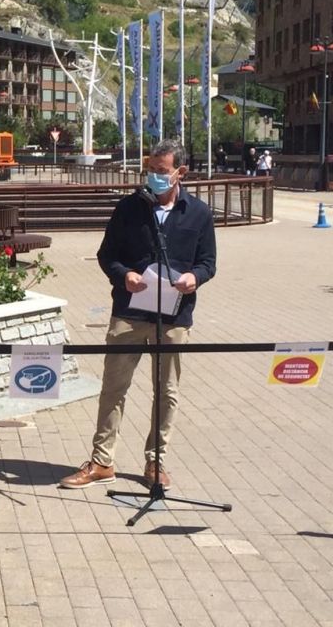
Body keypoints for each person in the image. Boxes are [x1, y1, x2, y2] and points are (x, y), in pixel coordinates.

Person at [59, 139, 216, 491]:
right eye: (150, 169)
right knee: (113, 387)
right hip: (129, 312)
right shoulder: (129, 207)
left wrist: (195, 277)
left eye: (162, 171)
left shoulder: (199, 213)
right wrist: (124, 275)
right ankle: (102, 462)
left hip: (173, 317)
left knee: (167, 391)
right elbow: (107, 255)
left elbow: (208, 262)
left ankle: (155, 461)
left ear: (180, 172)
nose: (154, 176)